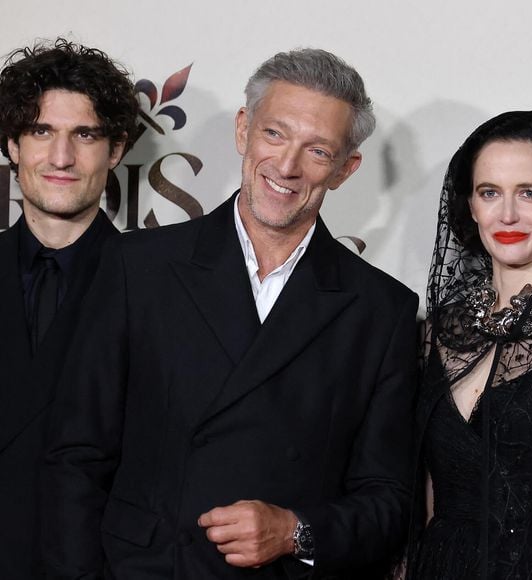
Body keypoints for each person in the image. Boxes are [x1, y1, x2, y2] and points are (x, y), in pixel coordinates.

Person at [43, 48, 418, 579]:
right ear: (243, 130)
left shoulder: (383, 311)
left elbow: (388, 502)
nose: (286, 166)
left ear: (345, 168)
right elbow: (76, 458)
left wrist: (295, 531)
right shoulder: (137, 267)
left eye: (317, 150)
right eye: (274, 134)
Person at [407, 111, 532, 579]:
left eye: (529, 193)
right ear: (471, 205)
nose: (507, 215)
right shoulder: (437, 331)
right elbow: (425, 491)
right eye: (490, 193)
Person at [0, 38, 139, 578]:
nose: (61, 158)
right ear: (13, 145)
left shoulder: (161, 288)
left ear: (117, 149)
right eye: (41, 131)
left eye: (85, 134)